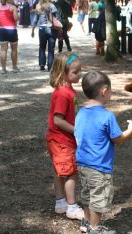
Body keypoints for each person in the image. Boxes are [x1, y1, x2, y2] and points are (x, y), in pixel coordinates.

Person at [74, 70, 132, 234]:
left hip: (82, 163)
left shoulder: (81, 112)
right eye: (110, 91)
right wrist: (130, 130)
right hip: (99, 166)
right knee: (99, 196)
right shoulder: (107, 116)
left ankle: (86, 222)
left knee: (87, 193)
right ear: (104, 91)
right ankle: (94, 228)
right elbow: (118, 138)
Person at [47, 52, 85, 220]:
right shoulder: (63, 93)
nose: (79, 75)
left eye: (79, 71)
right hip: (62, 140)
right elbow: (57, 120)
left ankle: (60, 202)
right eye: (75, 72)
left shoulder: (67, 89)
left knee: (59, 170)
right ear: (63, 72)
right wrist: (76, 131)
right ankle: (72, 206)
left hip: (59, 139)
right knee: (70, 172)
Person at [31, 0, 58, 71]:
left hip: (42, 28)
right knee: (51, 49)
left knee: (42, 47)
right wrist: (59, 28)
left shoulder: (38, 6)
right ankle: (50, 66)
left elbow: (35, 20)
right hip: (51, 28)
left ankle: (42, 65)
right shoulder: (52, 6)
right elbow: (55, 18)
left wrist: (33, 30)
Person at [0, 0, 19, 74]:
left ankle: (3, 69)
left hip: (2, 29)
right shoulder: (13, 7)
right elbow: (16, 18)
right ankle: (14, 67)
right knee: (14, 49)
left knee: (3, 50)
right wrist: (18, 15)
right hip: (11, 29)